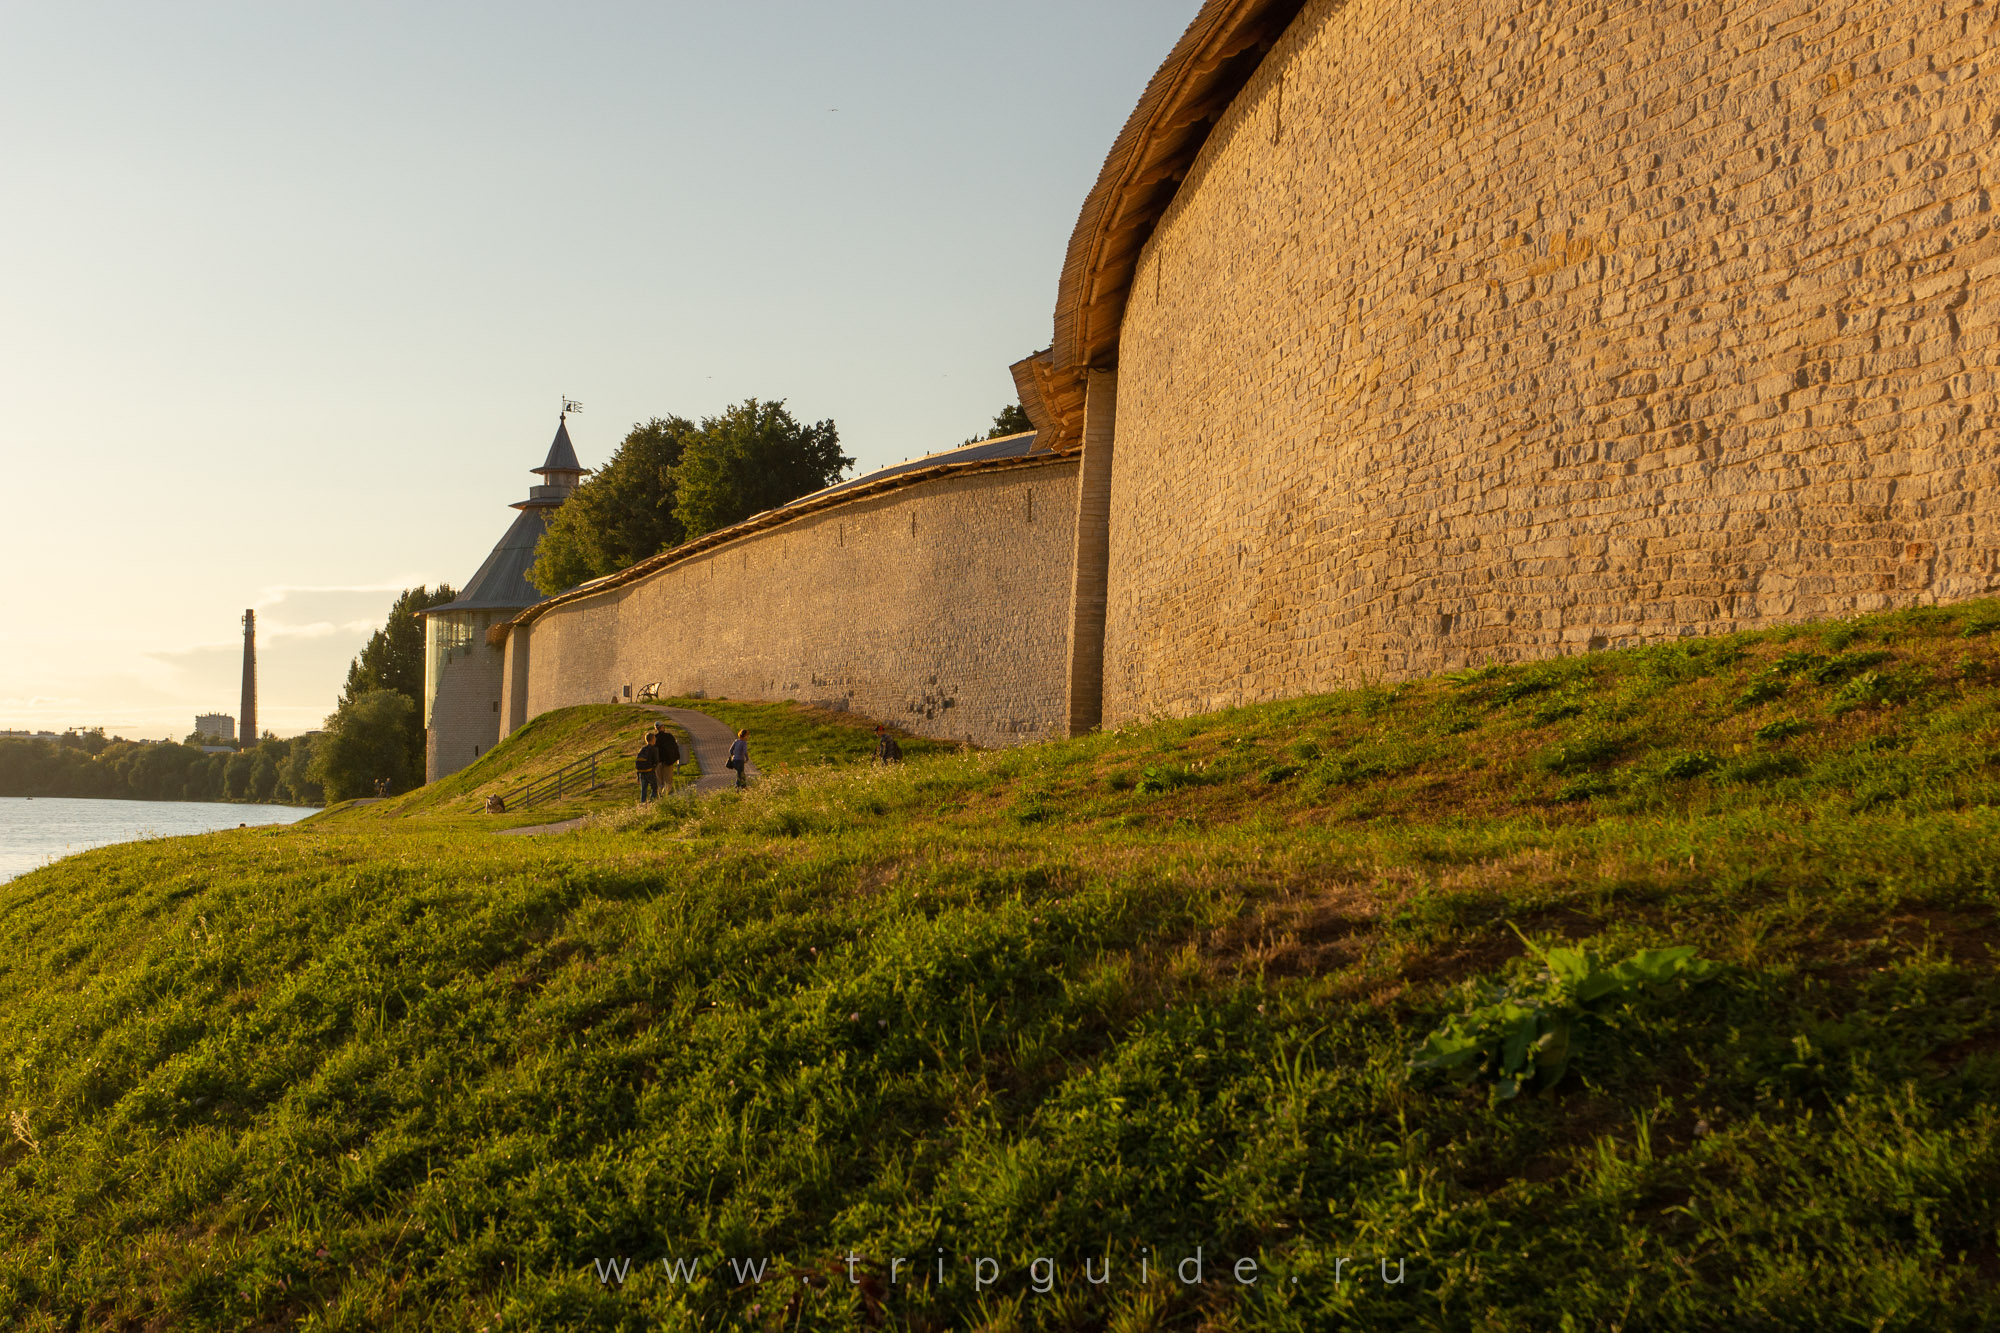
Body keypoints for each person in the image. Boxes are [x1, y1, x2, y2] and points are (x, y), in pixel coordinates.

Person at [654, 723, 682, 794]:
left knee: (659, 782)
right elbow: (675, 748)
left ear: (656, 729)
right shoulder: (669, 737)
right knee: (668, 781)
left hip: (658, 762)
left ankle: (660, 795)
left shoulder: (654, 738)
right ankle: (665, 795)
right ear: (663, 727)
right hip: (668, 762)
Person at [635, 734, 660, 802]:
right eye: (654, 738)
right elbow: (656, 761)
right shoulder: (654, 749)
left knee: (643, 790)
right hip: (650, 771)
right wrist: (654, 768)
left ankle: (642, 804)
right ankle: (651, 802)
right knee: (654, 788)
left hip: (642, 772)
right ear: (652, 739)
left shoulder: (643, 749)